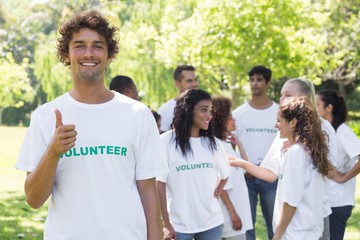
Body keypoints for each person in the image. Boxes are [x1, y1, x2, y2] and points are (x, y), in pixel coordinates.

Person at [16, 10, 167, 240]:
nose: (89, 53)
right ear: (66, 53)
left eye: (98, 46)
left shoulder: (137, 114)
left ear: (109, 54)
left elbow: (148, 190)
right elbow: (34, 199)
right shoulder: (44, 116)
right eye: (79, 45)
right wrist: (53, 152)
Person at [232, 78, 337, 240]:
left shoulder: (322, 129)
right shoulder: (285, 133)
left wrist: (308, 148)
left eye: (287, 95)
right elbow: (270, 173)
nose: (281, 99)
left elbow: (331, 172)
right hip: (291, 226)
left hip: (312, 219)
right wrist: (240, 163)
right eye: (281, 95)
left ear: (304, 99)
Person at [157, 89, 231, 240]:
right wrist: (166, 223)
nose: (209, 116)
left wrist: (218, 190)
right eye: (204, 110)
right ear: (188, 110)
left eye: (210, 111)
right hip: (178, 226)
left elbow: (225, 174)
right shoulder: (165, 142)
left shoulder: (214, 143)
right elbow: (159, 185)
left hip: (212, 223)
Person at [232, 65, 278, 240]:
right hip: (246, 177)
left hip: (272, 175)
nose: (255, 83)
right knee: (246, 225)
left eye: (259, 80)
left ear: (268, 83)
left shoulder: (278, 112)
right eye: (252, 80)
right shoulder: (238, 114)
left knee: (274, 223)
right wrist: (245, 168)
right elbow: (231, 145)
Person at [316, 89, 360, 240]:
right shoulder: (327, 130)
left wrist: (343, 178)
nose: (314, 108)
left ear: (329, 108)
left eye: (317, 104)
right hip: (327, 202)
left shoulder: (342, 131)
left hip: (338, 203)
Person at [211, 96, 253, 240]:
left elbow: (247, 169)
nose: (234, 121)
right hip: (229, 216)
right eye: (230, 118)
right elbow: (220, 185)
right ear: (221, 121)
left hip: (238, 211)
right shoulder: (218, 146)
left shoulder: (228, 145)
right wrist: (233, 212)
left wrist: (239, 145)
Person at [158, 65, 198, 132]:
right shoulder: (166, 111)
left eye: (196, 80)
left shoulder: (205, 107)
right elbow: (161, 139)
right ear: (177, 84)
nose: (195, 84)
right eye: (189, 81)